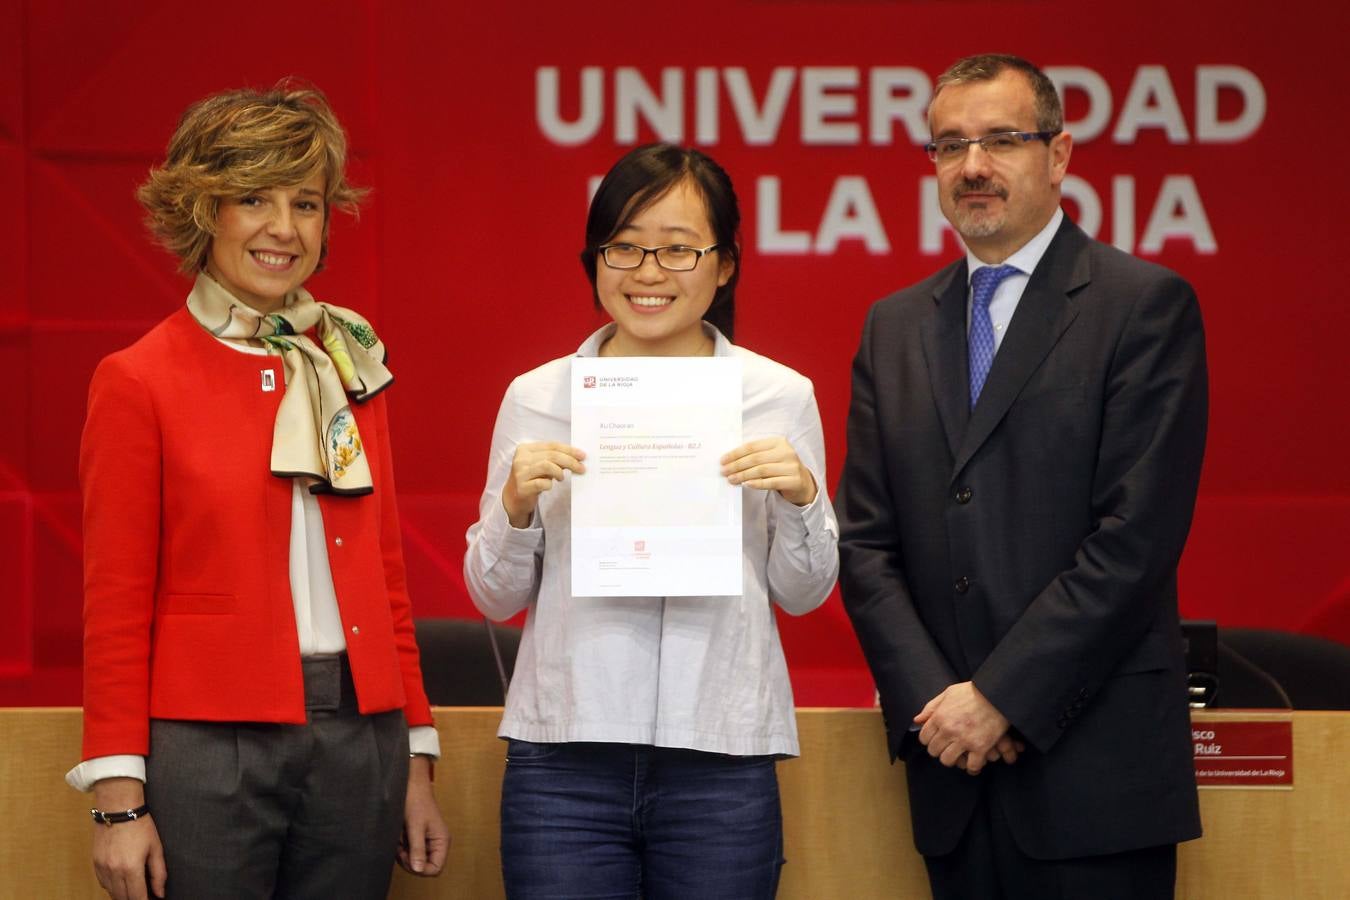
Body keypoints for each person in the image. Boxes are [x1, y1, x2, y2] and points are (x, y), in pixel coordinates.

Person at [66, 83, 448, 900]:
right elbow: (115, 599)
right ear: (203, 211)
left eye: (305, 203)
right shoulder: (137, 379)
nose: (285, 228)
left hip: (361, 735)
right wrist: (116, 800)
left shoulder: (350, 362)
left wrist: (416, 755)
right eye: (253, 199)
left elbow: (385, 575)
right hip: (208, 742)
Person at [838, 54, 1207, 899]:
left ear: (1061, 154)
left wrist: (1000, 697)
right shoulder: (894, 326)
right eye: (949, 146)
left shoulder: (1142, 305)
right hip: (951, 774)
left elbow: (1134, 538)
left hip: (1093, 776)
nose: (973, 166)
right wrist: (941, 705)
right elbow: (865, 543)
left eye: (1002, 140)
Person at [463, 143, 838, 899]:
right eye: (625, 248)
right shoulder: (537, 396)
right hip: (564, 760)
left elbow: (804, 593)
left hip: (720, 756)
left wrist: (802, 496)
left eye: (677, 251)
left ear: (725, 265)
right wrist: (514, 506)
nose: (647, 273)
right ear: (595, 259)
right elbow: (492, 597)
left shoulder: (778, 396)